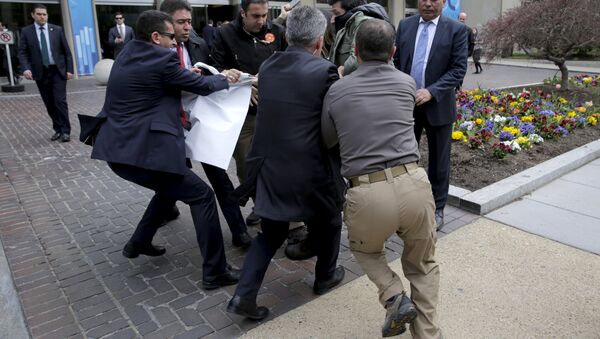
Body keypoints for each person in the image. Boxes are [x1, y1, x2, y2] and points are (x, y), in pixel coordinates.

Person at [90, 10, 243, 290]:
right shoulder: (162, 59)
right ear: (155, 36)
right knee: (203, 196)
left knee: (170, 188)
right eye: (171, 36)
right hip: (141, 154)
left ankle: (139, 242)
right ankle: (215, 271)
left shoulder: (128, 52)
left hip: (120, 150)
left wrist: (183, 75)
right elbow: (202, 86)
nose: (175, 42)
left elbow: (161, 81)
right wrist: (226, 78)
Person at [322, 18, 441, 338]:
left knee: (366, 251)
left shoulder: (337, 89)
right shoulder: (406, 82)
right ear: (393, 51)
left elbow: (329, 139)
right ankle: (428, 336)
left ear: (355, 52)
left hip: (367, 191)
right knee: (423, 265)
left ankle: (393, 294)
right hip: (414, 183)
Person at [227, 6, 345, 320]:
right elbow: (331, 121)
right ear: (320, 42)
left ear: (288, 35)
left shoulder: (268, 66)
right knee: (332, 218)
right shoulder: (326, 71)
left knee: (271, 232)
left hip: (269, 164)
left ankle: (243, 296)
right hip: (310, 166)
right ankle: (325, 276)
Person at [159, 0, 252, 248]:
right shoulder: (154, 49)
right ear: (166, 23)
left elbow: (213, 71)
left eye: (189, 21)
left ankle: (239, 231)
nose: (188, 27)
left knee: (219, 177)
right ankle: (159, 215)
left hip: (201, 120)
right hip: (170, 124)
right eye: (181, 22)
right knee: (173, 176)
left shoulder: (198, 44)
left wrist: (224, 73)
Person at [393, 0, 468, 230]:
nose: (427, 4)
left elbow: (458, 69)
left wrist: (431, 91)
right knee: (404, 159)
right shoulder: (405, 26)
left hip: (439, 106)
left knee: (439, 162)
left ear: (443, 2)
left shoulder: (456, 30)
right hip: (408, 105)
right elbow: (396, 62)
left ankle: (438, 208)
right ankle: (405, 205)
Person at [211, 0, 286, 226]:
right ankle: (258, 202)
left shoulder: (278, 32)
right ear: (242, 13)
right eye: (255, 16)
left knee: (277, 164)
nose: (261, 21)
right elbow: (215, 68)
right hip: (242, 114)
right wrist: (242, 84)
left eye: (264, 15)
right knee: (246, 164)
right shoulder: (225, 33)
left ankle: (272, 208)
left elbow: (288, 64)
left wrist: (269, 79)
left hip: (275, 111)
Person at [18, 4, 74, 143]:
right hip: (40, 72)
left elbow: (66, 52)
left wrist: (69, 69)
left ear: (47, 15)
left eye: (44, 14)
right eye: (39, 14)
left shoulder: (57, 30)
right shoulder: (26, 32)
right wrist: (26, 68)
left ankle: (66, 131)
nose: (42, 16)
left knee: (60, 101)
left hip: (57, 71)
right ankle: (58, 129)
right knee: (49, 102)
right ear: (33, 15)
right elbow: (22, 52)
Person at [328, 0, 390, 76]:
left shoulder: (363, 24)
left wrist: (341, 72)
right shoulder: (344, 30)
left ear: (352, 12)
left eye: (336, 13)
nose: (332, 20)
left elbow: (357, 59)